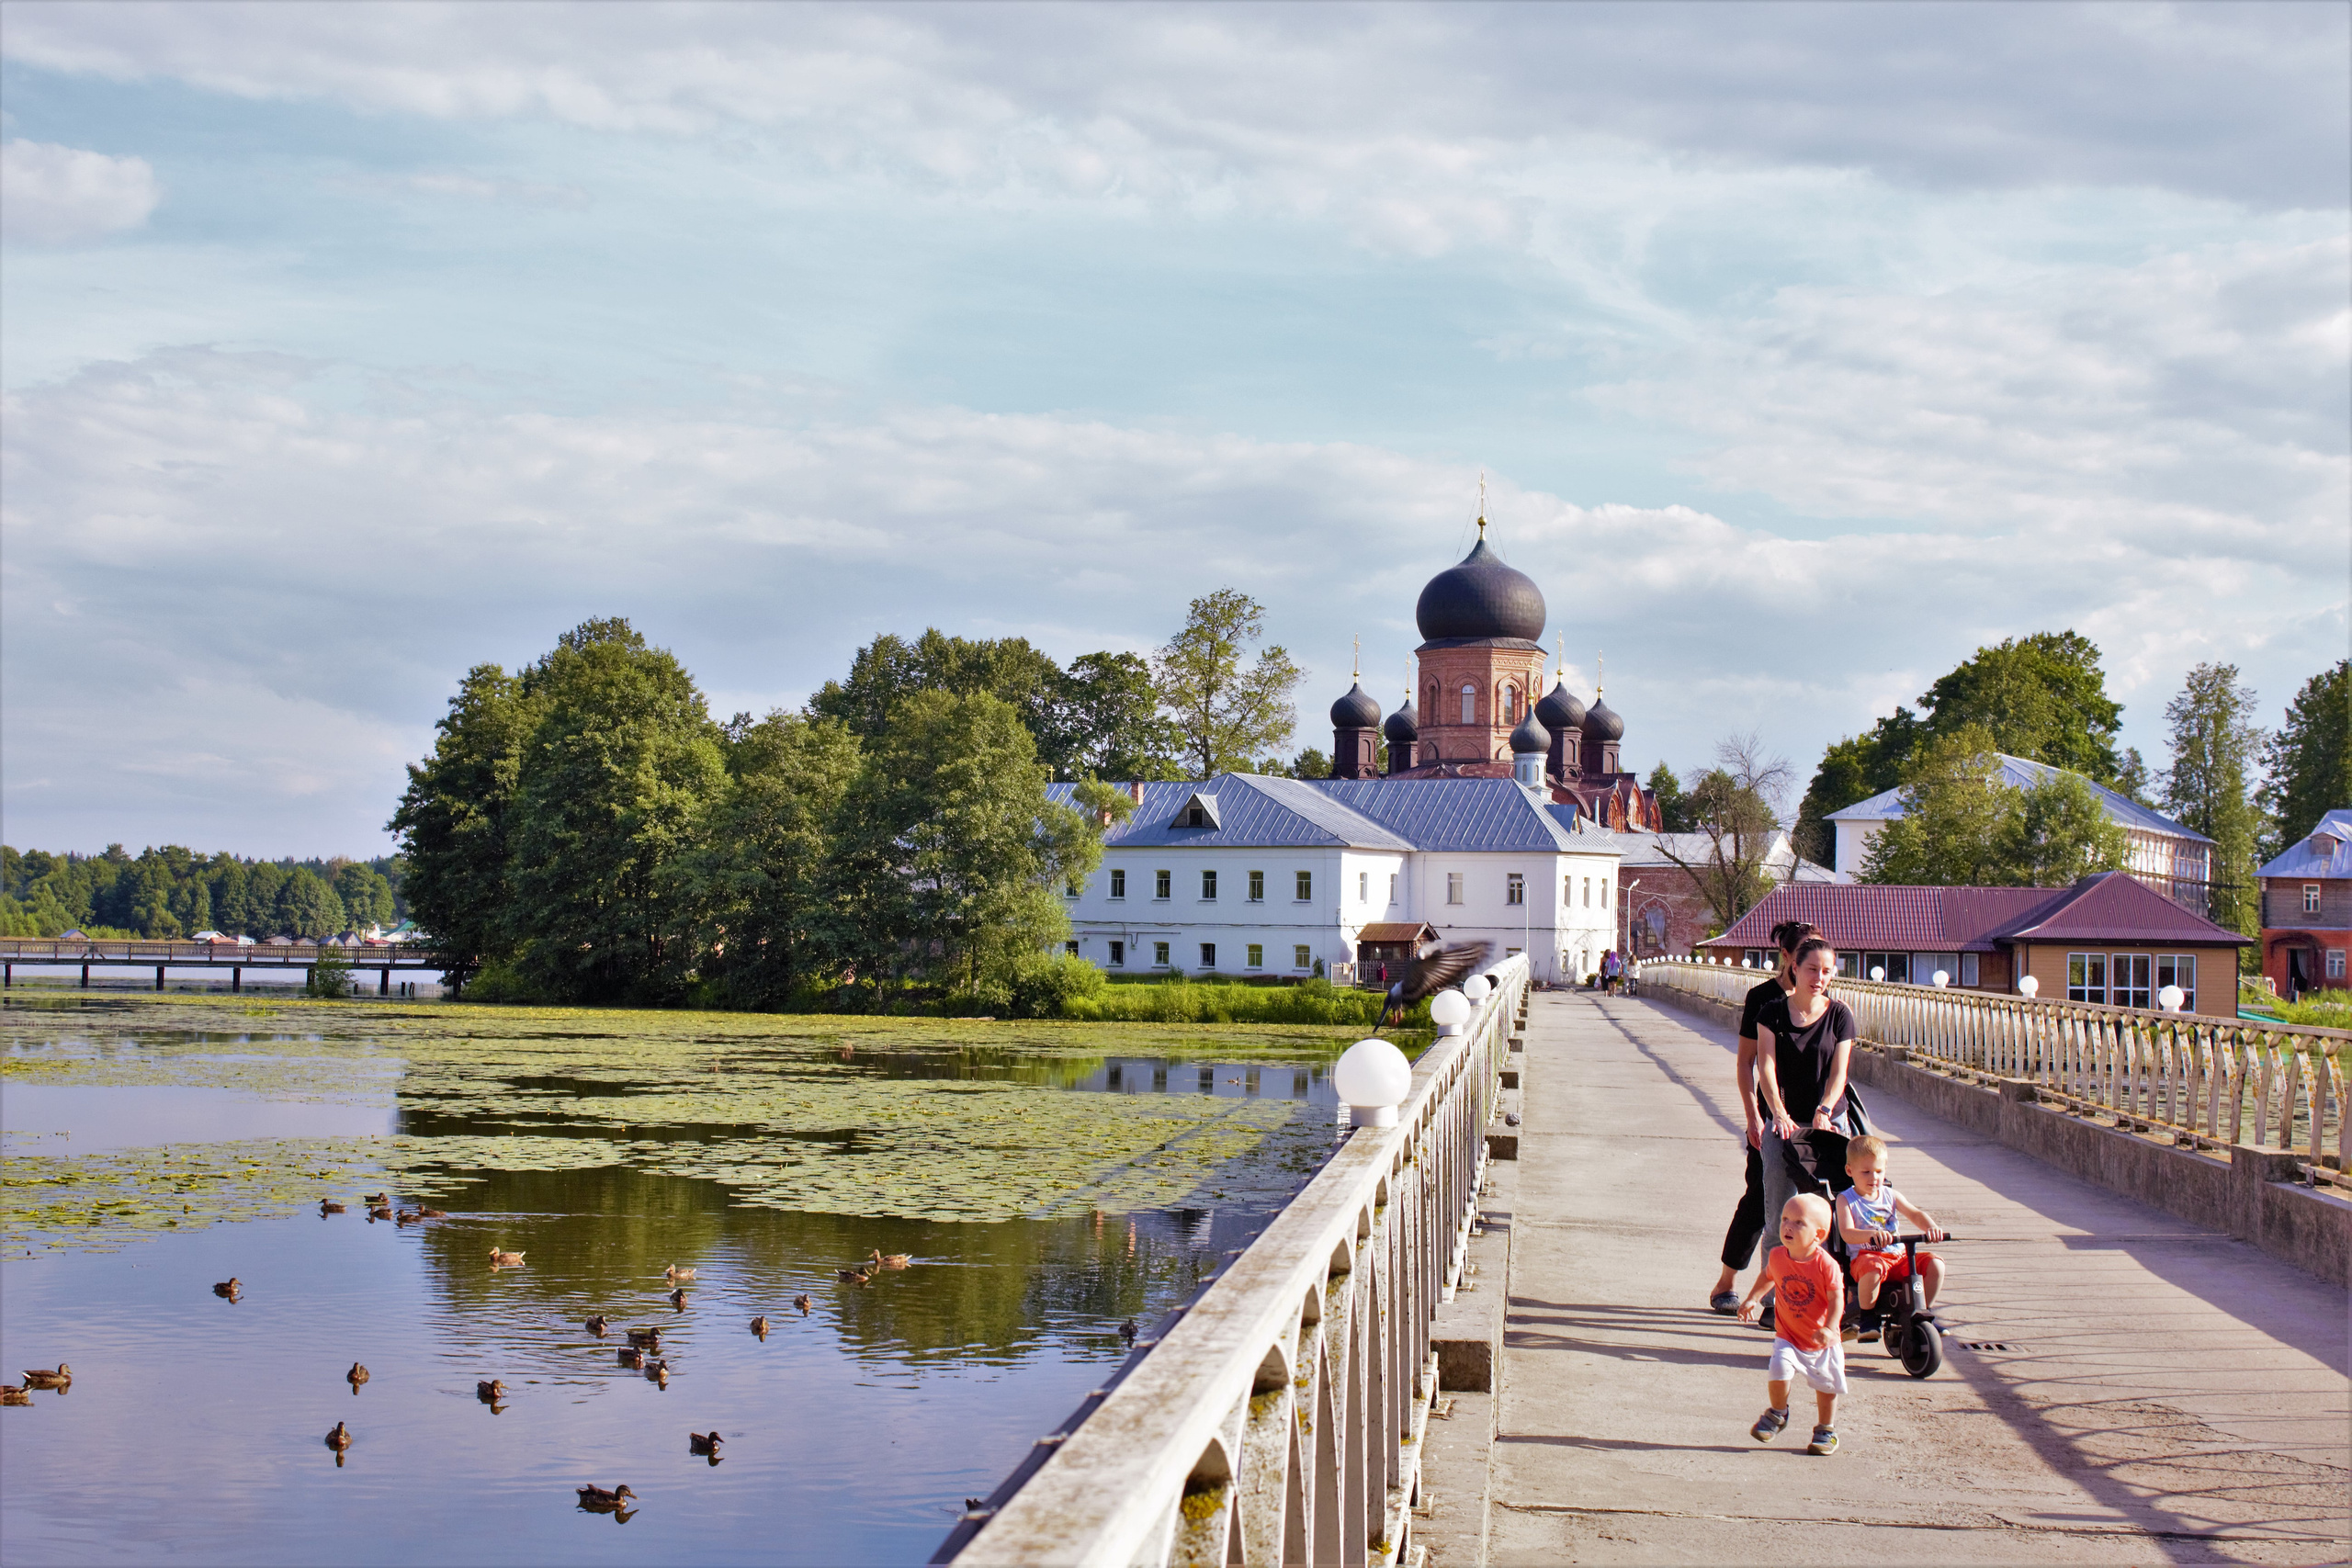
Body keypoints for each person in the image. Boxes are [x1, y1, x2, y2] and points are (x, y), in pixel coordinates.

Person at [1709, 920, 1816, 1314]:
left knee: (1814, 1202)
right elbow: (1746, 1064)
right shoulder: (1763, 999)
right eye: (1805, 952)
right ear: (1787, 956)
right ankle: (1727, 1282)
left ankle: (1797, 1293)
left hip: (1813, 1119)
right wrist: (1753, 1115)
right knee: (1760, 1200)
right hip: (1771, 1118)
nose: (1815, 969)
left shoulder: (1822, 997)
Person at [1754, 935, 1856, 1257]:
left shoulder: (1840, 1015)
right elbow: (1766, 1067)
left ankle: (1827, 1292)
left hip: (1827, 1124)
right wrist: (1778, 1112)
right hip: (1784, 1124)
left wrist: (1824, 1110)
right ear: (1794, 968)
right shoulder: (1771, 1013)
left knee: (1827, 1215)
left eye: (1827, 971)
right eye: (1812, 969)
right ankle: (1773, 1300)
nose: (1820, 978)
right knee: (1779, 1217)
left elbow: (1839, 1072)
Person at [1736, 1192, 1844, 1456]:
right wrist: (1753, 1298)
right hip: (1788, 1336)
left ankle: (1826, 1430)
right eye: (1785, 1219)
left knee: (1826, 1387)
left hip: (1820, 1340)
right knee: (1778, 1372)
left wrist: (1830, 1328)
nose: (1788, 1226)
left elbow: (1836, 1297)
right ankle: (1777, 1413)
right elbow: (1768, 1276)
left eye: (1799, 1222)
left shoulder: (1825, 1265)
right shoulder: (1778, 1256)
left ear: (1818, 1235)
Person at [1836, 1134, 1946, 1337]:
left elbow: (1914, 1213)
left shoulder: (1890, 1195)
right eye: (1866, 1172)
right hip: (1867, 1258)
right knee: (1873, 1268)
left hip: (1898, 1257)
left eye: (1879, 1171)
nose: (1874, 1178)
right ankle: (1868, 1316)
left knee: (1935, 1264)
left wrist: (1930, 1227)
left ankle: (1922, 1314)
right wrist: (1871, 1234)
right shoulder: (1846, 1200)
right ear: (1850, 1171)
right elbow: (1847, 1233)